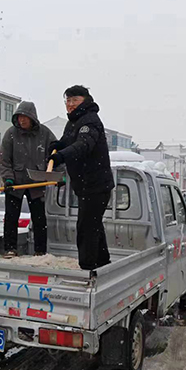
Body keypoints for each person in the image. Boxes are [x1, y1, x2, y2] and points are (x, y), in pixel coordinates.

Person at [48, 85, 115, 270]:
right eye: (67, 101)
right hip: (85, 185)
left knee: (86, 227)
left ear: (84, 100)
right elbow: (68, 141)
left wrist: (62, 156)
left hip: (96, 185)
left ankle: (87, 269)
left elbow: (83, 145)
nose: (70, 104)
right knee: (93, 225)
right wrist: (57, 146)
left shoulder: (90, 121)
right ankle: (102, 263)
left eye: (74, 100)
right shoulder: (74, 122)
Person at [0, 101, 58, 258]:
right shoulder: (10, 134)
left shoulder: (45, 134)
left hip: (37, 183)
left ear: (32, 117)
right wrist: (8, 179)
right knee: (11, 217)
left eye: (25, 117)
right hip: (15, 183)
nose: (22, 120)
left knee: (39, 219)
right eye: (19, 117)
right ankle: (10, 248)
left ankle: (40, 251)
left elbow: (57, 155)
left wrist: (58, 175)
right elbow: (4, 160)